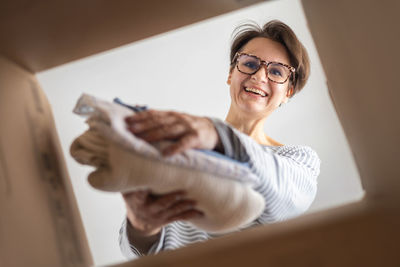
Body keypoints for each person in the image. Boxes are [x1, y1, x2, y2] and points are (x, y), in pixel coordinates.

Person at [119, 20, 320, 258]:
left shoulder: (297, 160)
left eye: (276, 71)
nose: (259, 75)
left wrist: (218, 135)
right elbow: (133, 251)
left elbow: (284, 199)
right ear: (230, 74)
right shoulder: (181, 146)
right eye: (250, 63)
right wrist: (142, 228)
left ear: (288, 92)